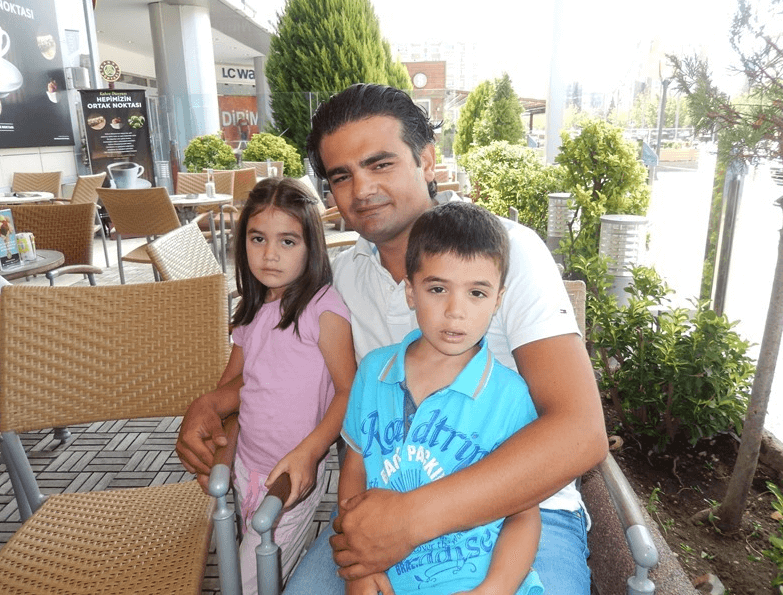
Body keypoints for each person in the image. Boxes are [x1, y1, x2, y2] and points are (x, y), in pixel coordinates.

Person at [176, 84, 607, 594]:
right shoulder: (339, 282)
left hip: (519, 511)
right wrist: (214, 404)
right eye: (342, 175)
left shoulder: (503, 253)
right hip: (375, 510)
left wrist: (412, 519)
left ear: (426, 160)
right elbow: (276, 368)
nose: (361, 190)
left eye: (380, 164)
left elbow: (580, 431)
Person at [341, 201, 544, 595]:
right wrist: (357, 566)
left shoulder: (510, 397)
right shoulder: (372, 372)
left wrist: (495, 589)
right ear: (410, 291)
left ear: (498, 300)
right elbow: (354, 470)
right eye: (437, 289)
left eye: (477, 293)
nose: (455, 312)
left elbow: (523, 514)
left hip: (480, 582)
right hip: (386, 579)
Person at [200, 177, 356, 594]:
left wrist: (311, 451)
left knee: (250, 579)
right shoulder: (251, 308)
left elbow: (348, 390)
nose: (270, 255)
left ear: (311, 246)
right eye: (258, 239)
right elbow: (232, 387)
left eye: (287, 241)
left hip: (291, 476)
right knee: (254, 555)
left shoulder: (322, 309)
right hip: (245, 465)